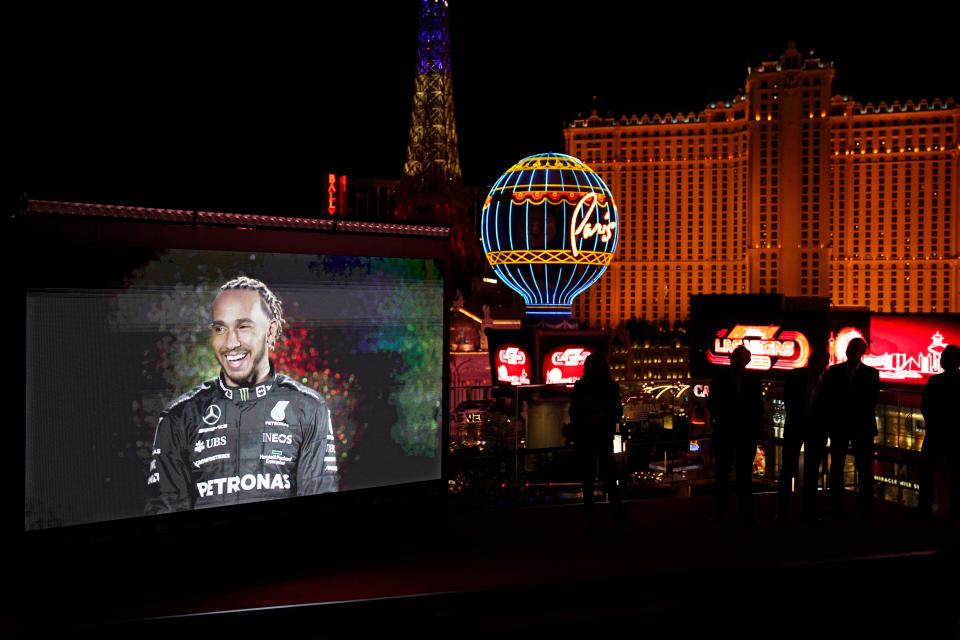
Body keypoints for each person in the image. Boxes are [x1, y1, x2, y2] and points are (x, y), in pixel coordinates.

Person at [145, 276, 338, 513]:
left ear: (271, 330)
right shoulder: (179, 417)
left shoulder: (309, 409)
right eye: (220, 328)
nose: (230, 342)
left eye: (243, 326)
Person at [821, 337, 879, 520]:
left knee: (863, 469)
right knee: (838, 467)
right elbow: (829, 398)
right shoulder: (835, 371)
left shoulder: (870, 374)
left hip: (856, 426)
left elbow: (871, 400)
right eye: (851, 349)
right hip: (845, 425)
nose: (853, 352)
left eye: (856, 349)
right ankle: (838, 506)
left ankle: (863, 508)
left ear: (862, 353)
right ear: (847, 351)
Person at [708, 345, 764, 525]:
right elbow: (757, 410)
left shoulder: (749, 380)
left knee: (737, 477)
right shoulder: (748, 380)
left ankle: (726, 515)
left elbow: (758, 409)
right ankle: (739, 515)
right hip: (735, 433)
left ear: (746, 361)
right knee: (731, 477)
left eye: (740, 359)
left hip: (736, 433)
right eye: (736, 359)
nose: (737, 362)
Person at [777, 348, 829, 526]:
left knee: (810, 472)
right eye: (819, 360)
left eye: (823, 361)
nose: (820, 364)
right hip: (800, 428)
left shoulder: (827, 379)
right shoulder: (797, 376)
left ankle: (806, 513)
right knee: (788, 470)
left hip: (812, 429)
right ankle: (785, 512)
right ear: (812, 360)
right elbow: (789, 401)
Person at [568, 353, 623, 517]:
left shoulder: (580, 386)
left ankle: (589, 512)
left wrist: (587, 417)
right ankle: (615, 510)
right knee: (609, 472)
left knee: (588, 476)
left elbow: (573, 411)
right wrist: (604, 417)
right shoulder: (611, 386)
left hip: (585, 435)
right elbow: (617, 411)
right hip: (604, 434)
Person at [918, 344, 960, 523]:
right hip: (955, 436)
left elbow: (925, 406)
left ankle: (924, 508)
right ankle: (954, 513)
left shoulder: (934, 381)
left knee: (926, 471)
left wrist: (932, 424)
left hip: (935, 433)